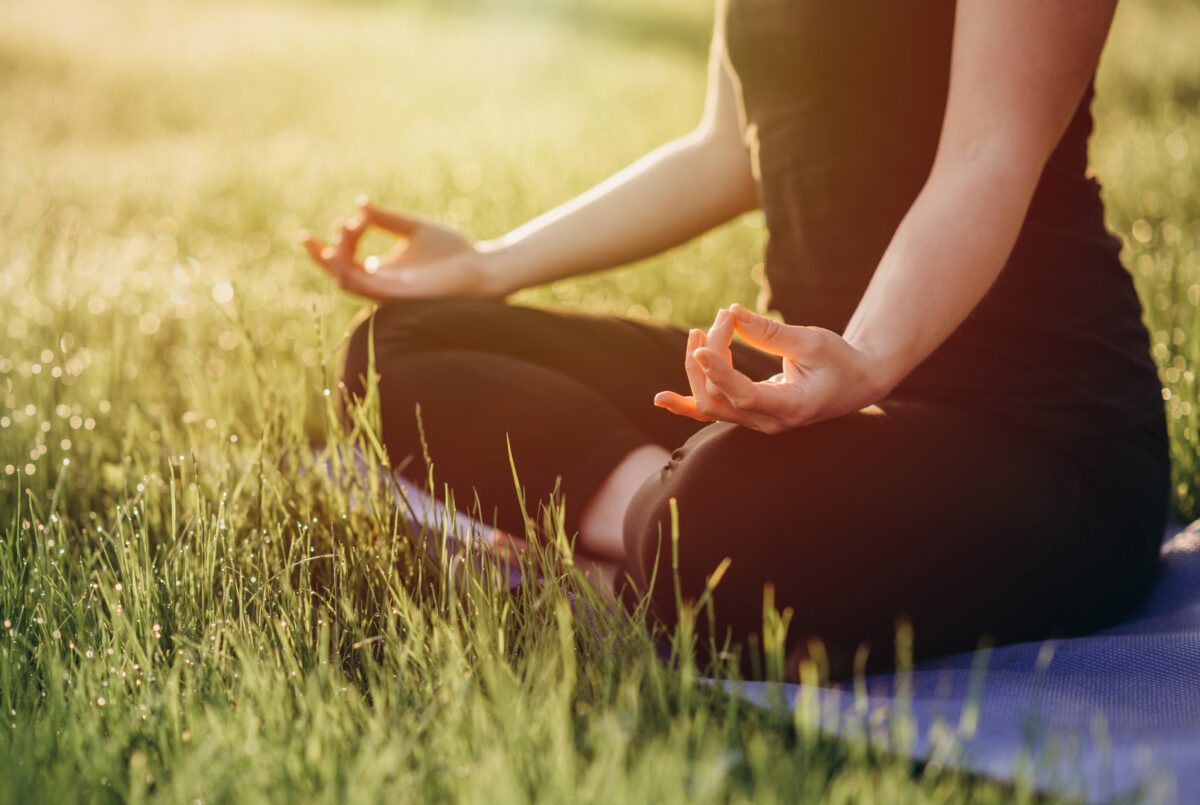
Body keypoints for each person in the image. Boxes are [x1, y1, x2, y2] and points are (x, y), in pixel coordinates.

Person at [300, 0, 1170, 678]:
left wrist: (866, 359)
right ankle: (652, 544)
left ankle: (616, 558)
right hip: (803, 394)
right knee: (396, 350)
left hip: (1038, 436)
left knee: (724, 510)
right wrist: (493, 264)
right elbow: (728, 151)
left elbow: (991, 153)